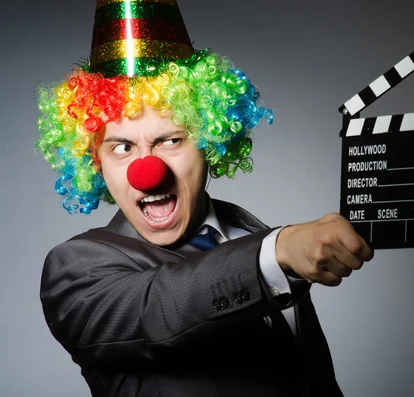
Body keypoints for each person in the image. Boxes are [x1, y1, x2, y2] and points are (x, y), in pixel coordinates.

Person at [37, 1, 373, 396]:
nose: (147, 171)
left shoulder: (246, 230)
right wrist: (274, 253)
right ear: (96, 162)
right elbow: (158, 309)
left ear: (210, 143)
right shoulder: (77, 270)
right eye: (122, 148)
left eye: (171, 140)